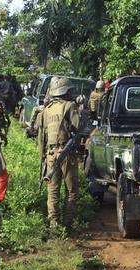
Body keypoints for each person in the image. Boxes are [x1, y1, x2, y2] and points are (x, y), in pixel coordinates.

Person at [36, 78, 81, 229]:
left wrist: (42, 157)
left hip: (50, 155)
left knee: (53, 191)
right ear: (66, 91)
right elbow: (79, 127)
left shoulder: (46, 110)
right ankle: (68, 225)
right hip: (66, 153)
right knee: (71, 191)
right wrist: (82, 109)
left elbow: (41, 138)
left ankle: (54, 224)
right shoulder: (70, 106)